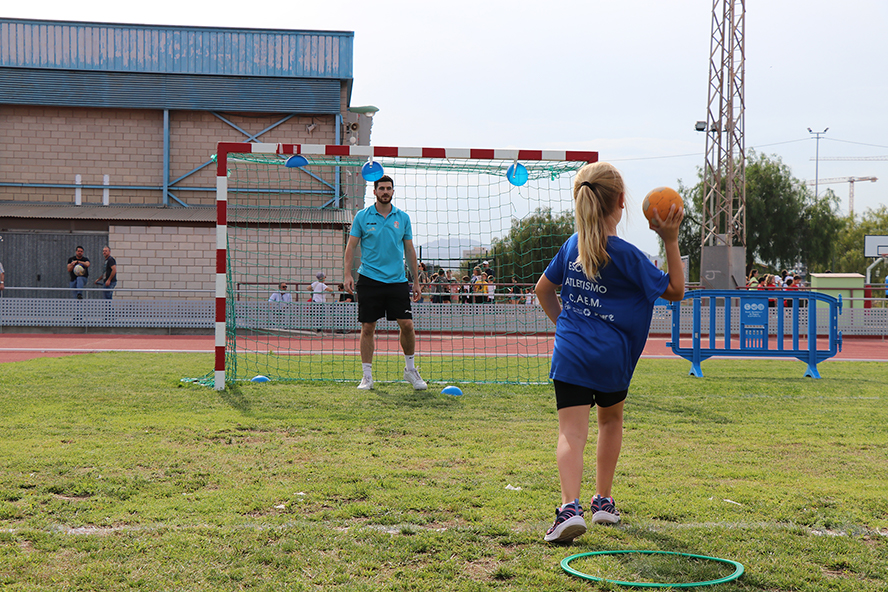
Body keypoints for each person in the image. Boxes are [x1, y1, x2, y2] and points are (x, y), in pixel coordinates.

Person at [535, 162, 684, 543]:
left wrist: (566, 327)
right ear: (620, 201)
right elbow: (675, 291)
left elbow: (542, 290)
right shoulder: (628, 255)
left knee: (571, 432)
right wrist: (670, 238)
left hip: (571, 353)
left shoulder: (572, 247)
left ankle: (570, 507)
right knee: (610, 422)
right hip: (613, 357)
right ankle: (603, 501)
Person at [343, 175, 427, 391]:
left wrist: (416, 281)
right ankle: (367, 377)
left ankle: (410, 370)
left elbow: (409, 250)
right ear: (375, 192)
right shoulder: (362, 216)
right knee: (368, 326)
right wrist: (347, 274)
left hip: (397, 281)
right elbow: (351, 246)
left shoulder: (403, 218)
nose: (385, 191)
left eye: (389, 188)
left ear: (392, 191)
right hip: (369, 279)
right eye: (381, 188)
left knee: (407, 325)